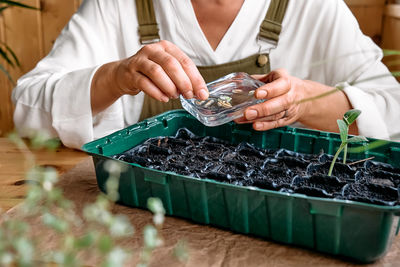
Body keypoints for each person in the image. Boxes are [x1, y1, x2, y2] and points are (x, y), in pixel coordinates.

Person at [12, 0, 400, 149]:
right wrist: (115, 78)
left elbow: (392, 108)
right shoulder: (118, 6)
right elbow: (29, 107)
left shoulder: (314, 8)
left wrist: (304, 101)